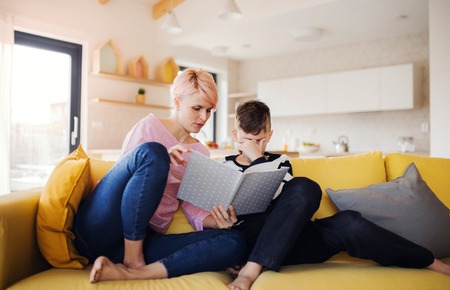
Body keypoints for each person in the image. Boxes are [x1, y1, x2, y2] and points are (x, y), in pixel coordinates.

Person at [221, 100, 450, 290]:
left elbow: (288, 203)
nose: (253, 145)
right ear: (235, 134)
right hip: (250, 237)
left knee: (316, 195)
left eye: (259, 140)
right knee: (298, 191)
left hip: (288, 239)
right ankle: (251, 270)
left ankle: (429, 261)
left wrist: (259, 160)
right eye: (247, 140)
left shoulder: (280, 161)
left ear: (269, 135)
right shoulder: (224, 166)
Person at [73, 68, 247, 283]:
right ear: (177, 102)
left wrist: (217, 221)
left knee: (235, 241)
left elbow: (190, 205)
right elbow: (126, 176)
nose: (204, 117)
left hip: (144, 237)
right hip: (103, 224)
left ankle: (133, 272)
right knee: (153, 153)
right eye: (197, 108)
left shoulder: (201, 152)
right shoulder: (148, 126)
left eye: (209, 110)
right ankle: (133, 261)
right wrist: (161, 157)